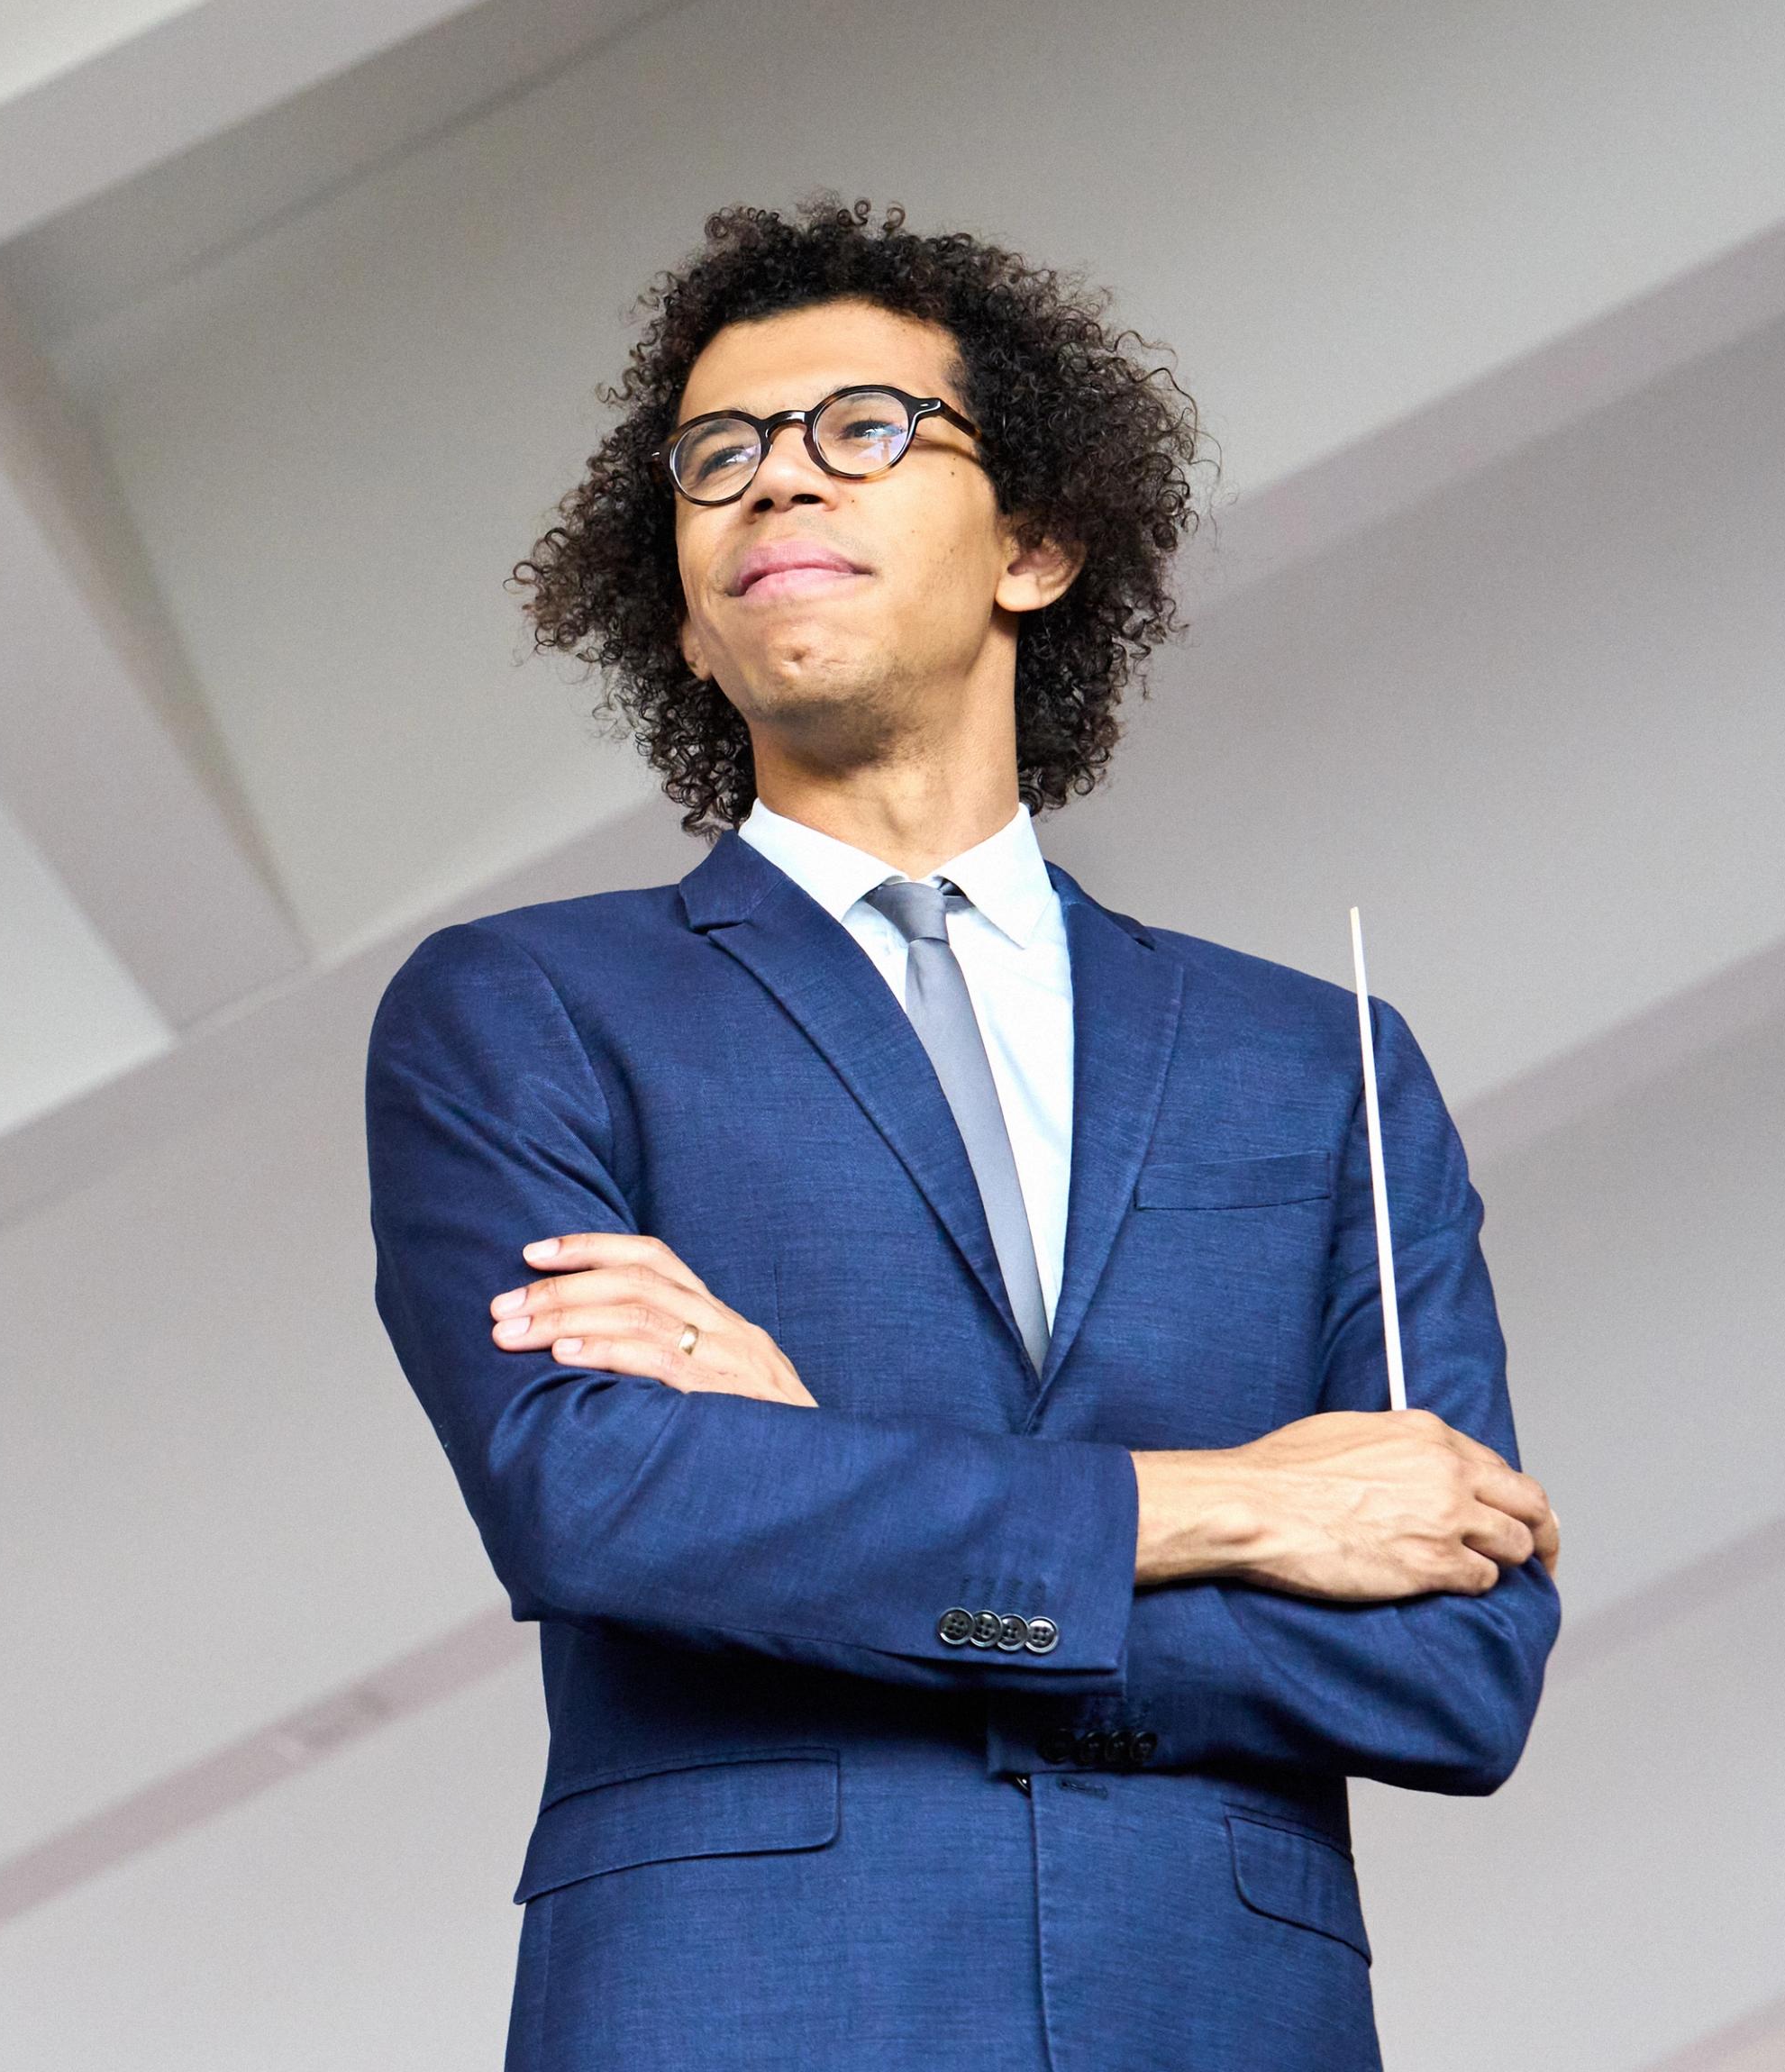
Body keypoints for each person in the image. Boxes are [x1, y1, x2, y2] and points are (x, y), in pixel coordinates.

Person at [366, 198, 1561, 2070]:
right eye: (715, 459)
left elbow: (1455, 1668)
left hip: (1216, 2020)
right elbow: (603, 1506)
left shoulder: (1316, 1065)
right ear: (678, 615)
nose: (774, 481)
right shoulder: (524, 1007)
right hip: (737, 2018)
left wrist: (822, 1493)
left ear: (1035, 543)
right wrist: (1232, 1506)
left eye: (862, 430)